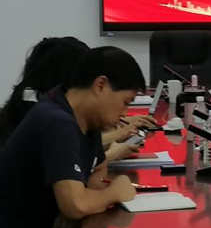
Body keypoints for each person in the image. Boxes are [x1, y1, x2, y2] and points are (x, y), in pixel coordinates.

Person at [0, 46, 144, 228]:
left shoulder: (82, 118)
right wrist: (115, 192)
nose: (125, 114)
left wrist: (80, 200)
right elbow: (77, 203)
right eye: (125, 102)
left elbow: (97, 170)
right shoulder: (57, 121)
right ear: (100, 85)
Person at [0, 37, 156, 158]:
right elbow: (68, 148)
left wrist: (116, 122)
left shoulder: (39, 101)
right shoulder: (45, 113)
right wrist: (115, 143)